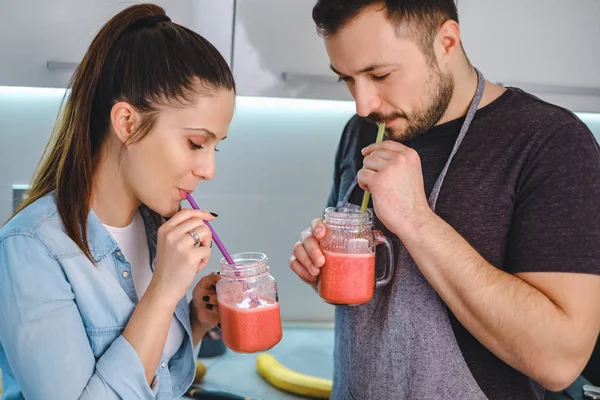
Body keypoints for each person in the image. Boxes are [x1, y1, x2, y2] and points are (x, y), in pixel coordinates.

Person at [289, 1, 600, 399]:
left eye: (380, 74)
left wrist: (417, 220)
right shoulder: (363, 132)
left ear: (446, 41)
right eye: (346, 79)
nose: (363, 104)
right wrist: (324, 264)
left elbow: (559, 361)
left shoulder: (549, 143)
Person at [0, 4, 235, 399]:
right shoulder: (30, 249)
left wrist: (195, 321)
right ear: (126, 122)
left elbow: (156, 378)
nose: (208, 169)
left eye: (215, 147)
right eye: (196, 142)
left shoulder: (157, 228)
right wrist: (162, 293)